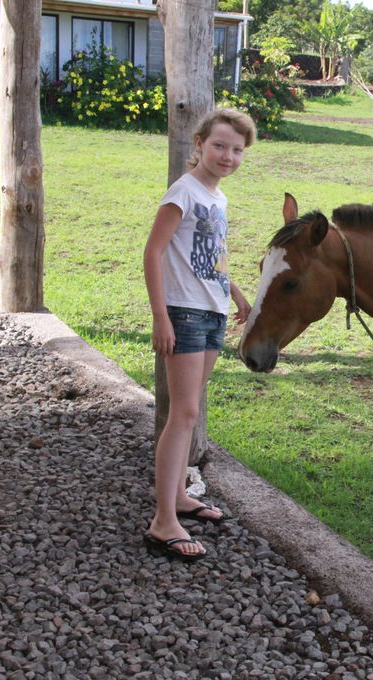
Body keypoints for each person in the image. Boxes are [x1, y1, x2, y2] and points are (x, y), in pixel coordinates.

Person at [142, 107, 255, 561]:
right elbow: (152, 253)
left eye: (237, 149)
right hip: (184, 314)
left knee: (188, 412)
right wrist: (160, 317)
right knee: (183, 415)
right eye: (220, 146)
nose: (228, 155)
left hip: (212, 313)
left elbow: (214, 257)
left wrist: (239, 295)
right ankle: (162, 522)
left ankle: (181, 498)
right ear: (200, 145)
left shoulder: (217, 198)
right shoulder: (183, 193)